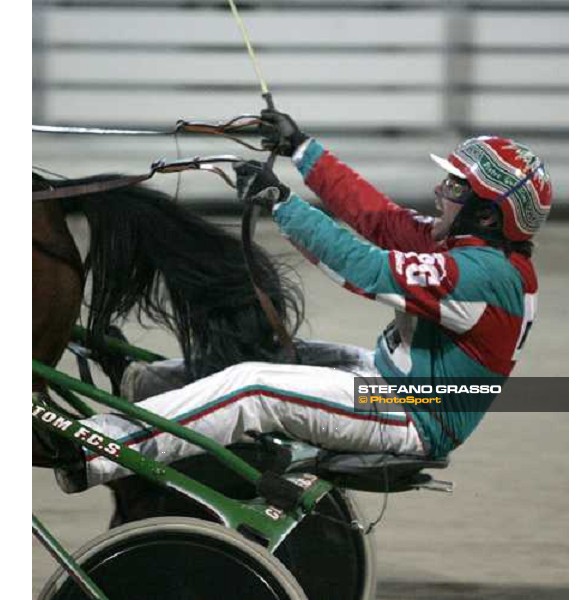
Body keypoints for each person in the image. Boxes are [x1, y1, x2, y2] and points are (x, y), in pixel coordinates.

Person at [40, 110, 552, 492]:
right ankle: (142, 390)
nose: (441, 190)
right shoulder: (470, 248)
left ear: (486, 217)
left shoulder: (484, 276)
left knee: (254, 386)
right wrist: (303, 149)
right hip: (389, 381)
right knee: (264, 353)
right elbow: (378, 219)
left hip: (415, 411)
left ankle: (95, 450)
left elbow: (366, 269)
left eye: (457, 188)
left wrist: (279, 203)